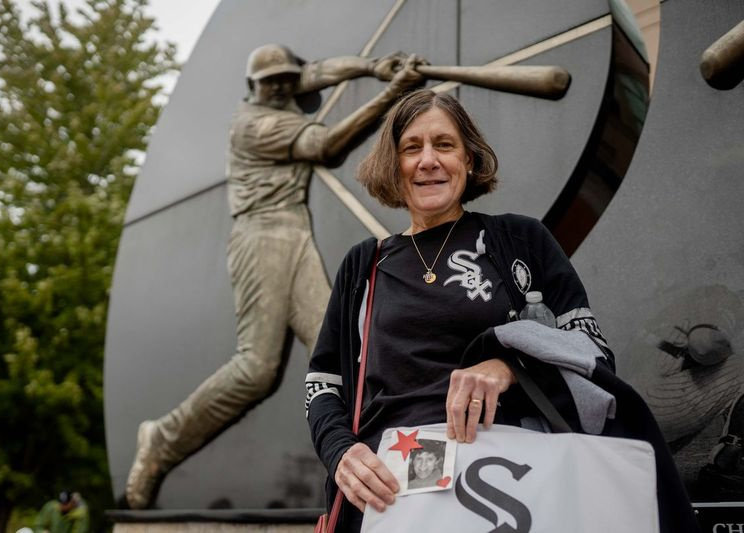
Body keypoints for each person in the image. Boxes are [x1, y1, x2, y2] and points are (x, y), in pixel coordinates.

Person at [305, 89, 698, 532]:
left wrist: (510, 364)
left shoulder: (521, 240)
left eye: (445, 145)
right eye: (411, 148)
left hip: (511, 481)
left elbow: (595, 352)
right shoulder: (364, 266)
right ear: (392, 166)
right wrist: (340, 451)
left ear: (469, 159)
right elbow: (322, 386)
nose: (428, 160)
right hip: (390, 495)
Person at [124, 43, 426, 509]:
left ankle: (384, 463)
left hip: (294, 231)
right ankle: (161, 440)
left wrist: (371, 66)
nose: (284, 86)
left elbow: (320, 71)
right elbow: (325, 147)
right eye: (272, 82)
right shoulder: (253, 124)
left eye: (287, 78)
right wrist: (392, 93)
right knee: (256, 369)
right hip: (261, 234)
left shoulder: (281, 91)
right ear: (254, 88)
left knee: (348, 351)